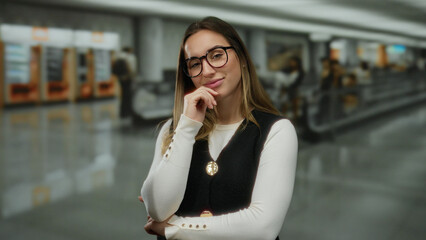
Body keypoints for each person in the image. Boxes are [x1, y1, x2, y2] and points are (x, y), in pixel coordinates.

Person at [140, 16, 298, 240]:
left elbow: (263, 227)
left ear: (242, 58)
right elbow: (157, 209)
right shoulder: (174, 129)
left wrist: (173, 228)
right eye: (195, 63)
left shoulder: (276, 131)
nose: (206, 70)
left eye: (216, 55)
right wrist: (187, 127)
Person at [112, 47, 137, 119]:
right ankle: (127, 112)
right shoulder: (129, 57)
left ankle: (123, 112)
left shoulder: (118, 56)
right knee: (128, 95)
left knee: (123, 94)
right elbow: (131, 69)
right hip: (127, 78)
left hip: (120, 78)